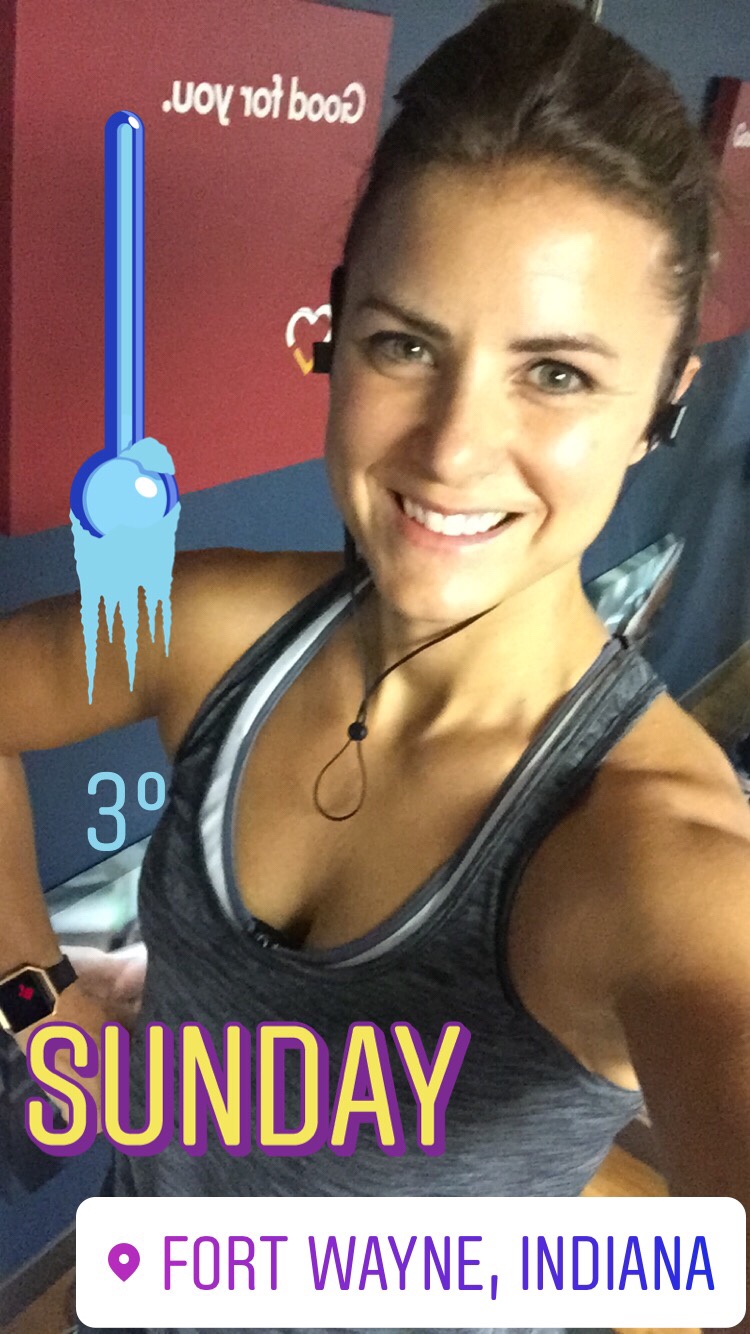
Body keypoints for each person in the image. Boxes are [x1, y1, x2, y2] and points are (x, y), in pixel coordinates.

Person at [1, 2, 748, 1332]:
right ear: (335, 333)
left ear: (661, 405)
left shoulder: (654, 854)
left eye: (555, 374)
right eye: (405, 344)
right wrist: (37, 999)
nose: (451, 451)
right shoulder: (211, 627)